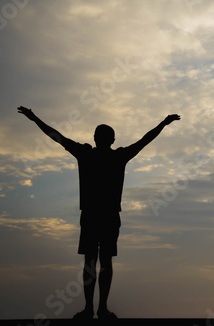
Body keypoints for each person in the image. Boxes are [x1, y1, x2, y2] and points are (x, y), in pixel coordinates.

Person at [17, 106, 180, 319]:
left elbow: (56, 136)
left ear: (96, 139)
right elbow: (144, 140)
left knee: (91, 262)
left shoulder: (86, 154)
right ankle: (99, 308)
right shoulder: (117, 156)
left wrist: (34, 118)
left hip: (94, 215)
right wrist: (163, 123)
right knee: (104, 261)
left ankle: (91, 308)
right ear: (111, 140)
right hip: (108, 215)